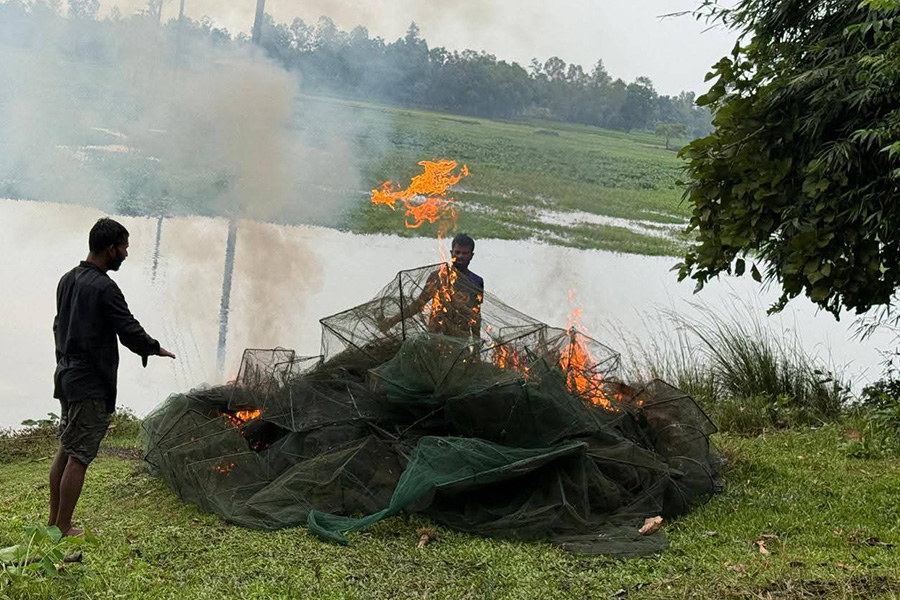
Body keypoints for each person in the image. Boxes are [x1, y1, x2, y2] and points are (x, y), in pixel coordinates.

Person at [49, 218, 176, 537]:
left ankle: (53, 521)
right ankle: (64, 526)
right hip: (89, 381)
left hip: (65, 375)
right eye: (124, 248)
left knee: (67, 447)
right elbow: (128, 328)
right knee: (79, 455)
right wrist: (154, 348)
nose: (126, 254)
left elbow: (57, 325)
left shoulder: (67, 279)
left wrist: (63, 364)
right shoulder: (104, 287)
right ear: (110, 249)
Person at [379, 233, 484, 339]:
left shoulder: (476, 282)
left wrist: (476, 342)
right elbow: (418, 305)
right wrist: (392, 321)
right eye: (457, 252)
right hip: (436, 335)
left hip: (460, 338)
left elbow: (476, 315)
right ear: (451, 253)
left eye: (465, 253)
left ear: (471, 255)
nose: (460, 256)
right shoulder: (438, 277)